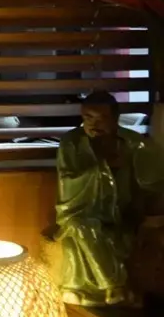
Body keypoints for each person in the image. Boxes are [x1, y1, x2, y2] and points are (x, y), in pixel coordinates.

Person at [46, 92, 164, 305]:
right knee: (81, 227)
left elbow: (152, 183)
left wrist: (150, 214)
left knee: (83, 240)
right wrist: (102, 167)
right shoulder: (71, 142)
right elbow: (68, 181)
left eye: (101, 118)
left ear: (115, 118)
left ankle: (80, 288)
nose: (94, 124)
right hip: (80, 210)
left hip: (123, 211)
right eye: (88, 117)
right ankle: (114, 286)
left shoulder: (134, 143)